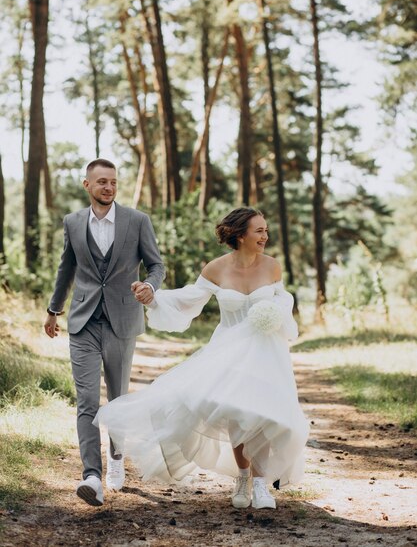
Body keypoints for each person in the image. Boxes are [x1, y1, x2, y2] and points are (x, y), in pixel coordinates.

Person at [95, 207, 309, 510]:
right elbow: (188, 298)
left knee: (263, 415)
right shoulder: (216, 269)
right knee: (237, 414)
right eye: (259, 231)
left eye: (265, 230)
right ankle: (242, 475)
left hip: (266, 351)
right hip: (229, 350)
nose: (265, 236)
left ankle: (261, 486)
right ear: (240, 235)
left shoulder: (272, 267)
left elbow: (281, 301)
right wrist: (153, 296)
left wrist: (275, 314)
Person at [44, 158, 165, 507]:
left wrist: (150, 287)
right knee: (86, 401)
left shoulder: (137, 221)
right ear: (87, 185)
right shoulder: (73, 222)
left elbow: (157, 264)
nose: (108, 187)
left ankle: (115, 458)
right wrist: (54, 310)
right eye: (101, 182)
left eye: (113, 181)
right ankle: (91, 476)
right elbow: (66, 268)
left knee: (118, 400)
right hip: (82, 322)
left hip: (122, 320)